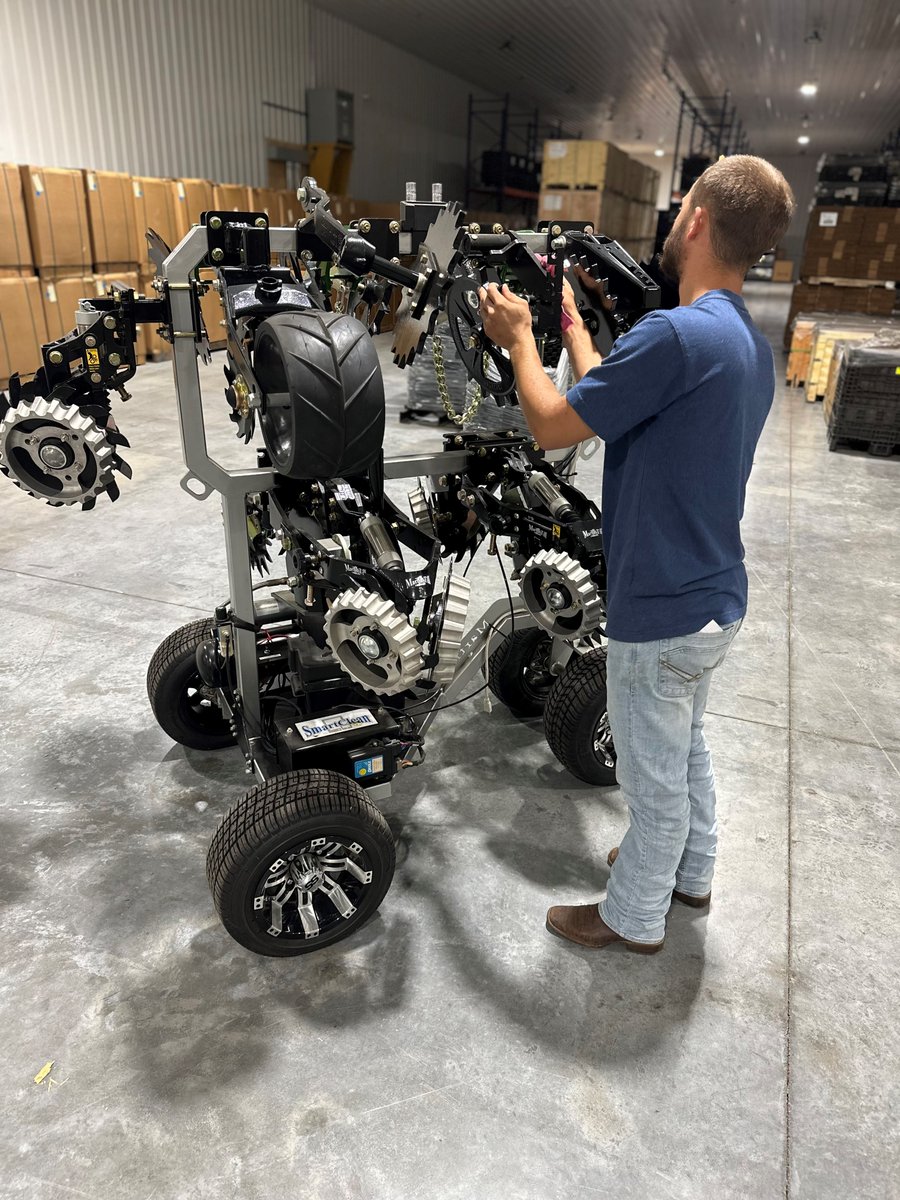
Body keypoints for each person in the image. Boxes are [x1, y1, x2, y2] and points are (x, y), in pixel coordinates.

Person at [479, 155, 795, 954]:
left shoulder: (675, 334)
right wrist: (581, 340)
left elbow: (552, 427)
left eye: (679, 207)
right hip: (715, 597)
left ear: (694, 220)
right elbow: (613, 408)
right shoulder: (742, 345)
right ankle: (692, 874)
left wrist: (518, 340)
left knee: (651, 785)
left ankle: (633, 917)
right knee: (684, 751)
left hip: (661, 607)